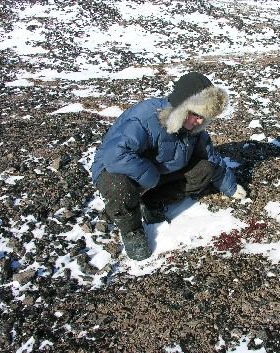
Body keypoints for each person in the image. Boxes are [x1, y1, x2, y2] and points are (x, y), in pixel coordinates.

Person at [91, 72, 247, 261]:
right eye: (196, 115)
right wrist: (150, 179)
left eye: (203, 117)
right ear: (182, 106)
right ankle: (131, 230)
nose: (199, 121)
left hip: (157, 173)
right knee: (119, 187)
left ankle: (151, 201)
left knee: (204, 170)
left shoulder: (194, 129)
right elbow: (115, 156)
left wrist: (229, 186)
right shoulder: (145, 118)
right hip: (116, 170)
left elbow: (210, 156)